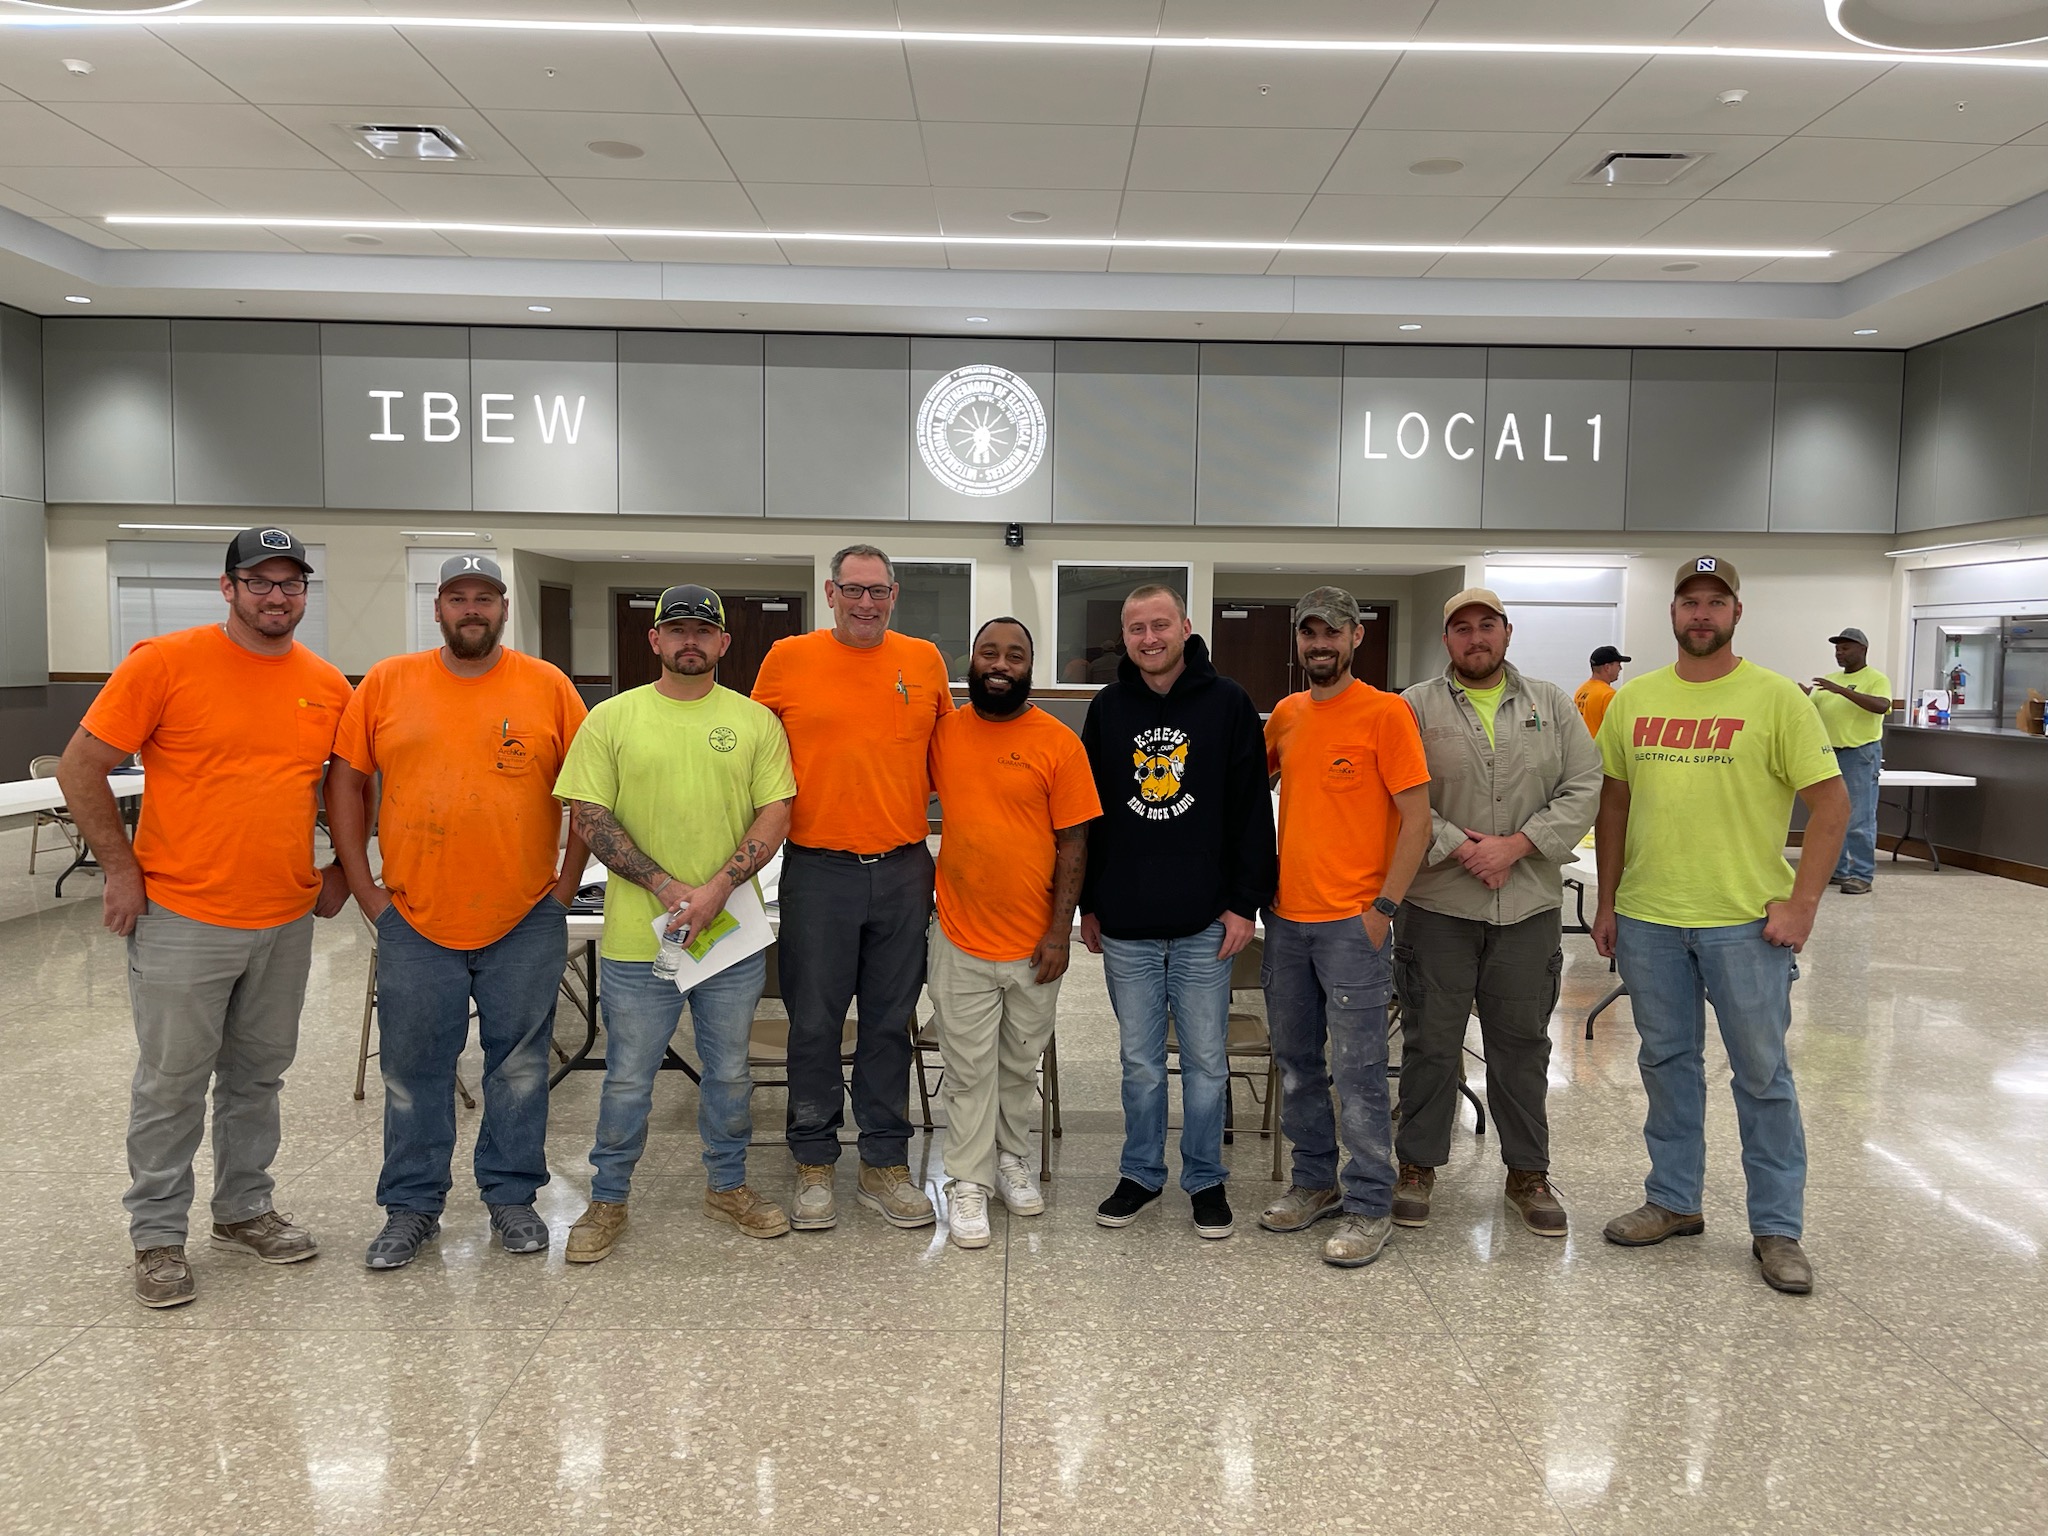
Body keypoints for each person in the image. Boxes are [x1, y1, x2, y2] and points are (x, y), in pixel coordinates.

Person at [56, 527, 353, 1309]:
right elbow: (79, 765)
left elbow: (350, 786)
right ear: (228, 589)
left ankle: (244, 1208)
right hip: (183, 913)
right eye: (261, 582)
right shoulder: (163, 663)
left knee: (257, 1077)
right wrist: (120, 868)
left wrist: (342, 872)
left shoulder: (327, 685)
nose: (277, 596)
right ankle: (156, 1235)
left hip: (284, 918)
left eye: (292, 584)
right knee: (172, 1082)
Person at [1592, 556, 1849, 1296]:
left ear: (1737, 613)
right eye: (1688, 602)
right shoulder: (1633, 700)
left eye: (1715, 602)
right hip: (1650, 919)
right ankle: (1674, 1200)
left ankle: (1777, 1228)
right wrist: (1608, 902)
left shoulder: (1775, 699)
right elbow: (1614, 806)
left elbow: (1831, 807)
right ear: (1671, 614)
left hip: (1745, 925)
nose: (1700, 614)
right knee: (1667, 1066)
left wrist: (1802, 905)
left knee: (1763, 1077)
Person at [328, 554, 589, 1270]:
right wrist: (367, 890)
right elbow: (347, 785)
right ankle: (411, 1209)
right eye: (457, 598)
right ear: (438, 607)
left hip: (524, 918)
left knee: (519, 1070)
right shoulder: (387, 682)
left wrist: (562, 889)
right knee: (413, 1072)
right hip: (414, 917)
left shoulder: (547, 687)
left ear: (504, 608)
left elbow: (588, 794)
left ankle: (511, 1197)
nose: (471, 609)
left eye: (485, 598)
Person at [554, 585, 797, 1261]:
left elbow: (774, 812)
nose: (691, 641)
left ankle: (728, 1186)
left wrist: (718, 888)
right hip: (639, 939)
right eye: (677, 630)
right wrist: (665, 886)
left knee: (728, 1074)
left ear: (723, 644)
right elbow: (590, 816)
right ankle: (607, 1200)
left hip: (728, 936)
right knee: (629, 1075)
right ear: (654, 640)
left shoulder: (754, 723)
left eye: (704, 632)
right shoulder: (611, 720)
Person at [752, 546, 950, 1232]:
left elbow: (947, 758)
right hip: (818, 870)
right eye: (853, 591)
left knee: (890, 1024)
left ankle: (883, 1163)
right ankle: (812, 1161)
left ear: (894, 594)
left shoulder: (923, 659)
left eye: (879, 592)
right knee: (812, 1022)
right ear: (830, 593)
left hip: (902, 867)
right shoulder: (787, 659)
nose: (866, 603)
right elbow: (751, 759)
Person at [1392, 588, 1600, 1236]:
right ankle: (1418, 1166)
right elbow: (1396, 793)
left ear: (1507, 633)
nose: (1475, 638)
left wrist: (1518, 846)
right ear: (1446, 639)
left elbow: (1585, 785)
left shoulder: (1553, 704)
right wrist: (1460, 847)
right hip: (1438, 904)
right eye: (1462, 628)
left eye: (1487, 626)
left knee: (1522, 1047)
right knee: (1431, 1042)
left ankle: (1528, 1175)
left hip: (1528, 906)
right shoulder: (1413, 707)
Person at [1079, 585, 1275, 1239]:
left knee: (1205, 1062)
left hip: (1204, 926)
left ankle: (1204, 1179)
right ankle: (1140, 1173)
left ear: (1185, 627)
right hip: (1127, 925)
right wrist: (1088, 904)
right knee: (1138, 1063)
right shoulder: (1107, 709)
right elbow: (1089, 818)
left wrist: (1244, 903)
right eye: (1136, 628)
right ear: (1125, 638)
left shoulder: (1229, 704)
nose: (1149, 638)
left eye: (1160, 624)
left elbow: (1252, 811)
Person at [1258, 588, 1432, 1268]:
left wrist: (1382, 910)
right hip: (1288, 922)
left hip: (1353, 925)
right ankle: (1313, 1182)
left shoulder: (1387, 715)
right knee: (1298, 1066)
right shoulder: (1288, 716)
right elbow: (1245, 788)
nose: (1320, 644)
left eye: (1333, 632)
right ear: (1298, 641)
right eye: (1309, 633)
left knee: (1357, 1073)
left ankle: (1367, 1205)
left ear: (1357, 637)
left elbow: (1416, 821)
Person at [925, 618, 1100, 1249]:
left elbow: (1075, 841)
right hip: (959, 938)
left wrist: (1061, 933)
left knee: (1017, 1065)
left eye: (1015, 655)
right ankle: (966, 1181)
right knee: (969, 1070)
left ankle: (1009, 1160)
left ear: (1031, 665)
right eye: (989, 652)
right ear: (971, 659)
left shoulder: (1058, 742)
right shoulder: (942, 735)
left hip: (1034, 946)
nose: (1001, 663)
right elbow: (898, 804)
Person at [1805, 627, 1891, 896]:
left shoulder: (1875, 679)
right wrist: (1801, 695)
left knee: (1859, 818)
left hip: (1859, 754)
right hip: (1828, 754)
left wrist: (1841, 691)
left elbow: (1881, 705)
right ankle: (1838, 870)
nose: (1839, 653)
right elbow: (1812, 707)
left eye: (1845, 648)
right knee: (1830, 814)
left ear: (1863, 650)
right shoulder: (1828, 681)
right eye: (1837, 649)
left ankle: (1861, 874)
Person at [1574, 645, 1630, 739]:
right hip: (1599, 750)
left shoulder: (1581, 690)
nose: (1620, 668)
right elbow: (1616, 730)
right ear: (1607, 667)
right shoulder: (1608, 694)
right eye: (1618, 664)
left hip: (1583, 748)